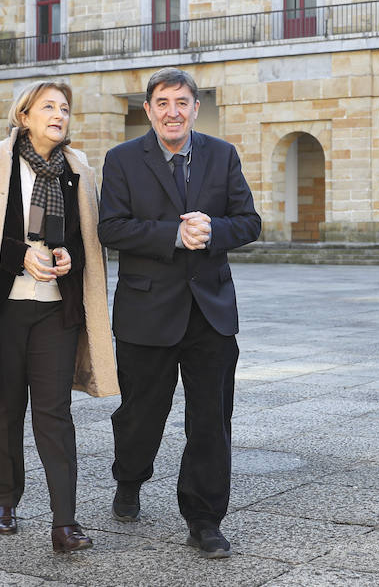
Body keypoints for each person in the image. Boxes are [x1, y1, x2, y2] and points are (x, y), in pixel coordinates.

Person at [0, 81, 117, 552]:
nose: (59, 114)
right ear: (24, 115)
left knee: (55, 414)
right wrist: (18, 255)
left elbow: (85, 238)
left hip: (57, 311)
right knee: (5, 408)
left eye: (65, 108)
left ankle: (64, 522)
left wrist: (69, 256)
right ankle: (5, 500)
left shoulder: (78, 169)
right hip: (1, 308)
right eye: (48, 106)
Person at [98, 67, 261, 559]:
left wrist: (213, 230)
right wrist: (173, 234)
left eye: (183, 102)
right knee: (140, 416)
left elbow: (249, 221)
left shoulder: (222, 154)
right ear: (148, 109)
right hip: (146, 311)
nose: (173, 111)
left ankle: (205, 518)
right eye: (163, 102)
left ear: (195, 108)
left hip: (210, 311)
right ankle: (129, 478)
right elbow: (111, 228)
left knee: (211, 419)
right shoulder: (123, 159)